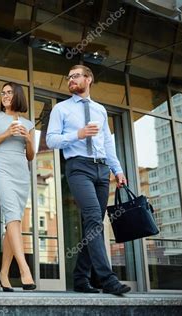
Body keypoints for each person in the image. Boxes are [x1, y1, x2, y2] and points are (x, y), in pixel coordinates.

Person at [46, 65, 130, 295]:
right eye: (69, 77)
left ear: (89, 79)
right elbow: (51, 140)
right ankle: (108, 279)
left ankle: (81, 279)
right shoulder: (61, 109)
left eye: (76, 76)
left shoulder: (100, 110)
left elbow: (107, 142)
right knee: (94, 218)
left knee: (93, 225)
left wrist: (118, 169)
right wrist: (78, 135)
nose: (71, 80)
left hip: (102, 170)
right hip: (78, 167)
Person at [0, 82, 36, 292]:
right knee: (12, 216)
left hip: (21, 174)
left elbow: (31, 155)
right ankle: (24, 270)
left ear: (18, 95)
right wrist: (5, 134)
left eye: (9, 92)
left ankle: (3, 274)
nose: (5, 95)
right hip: (1, 171)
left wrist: (28, 139)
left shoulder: (29, 123)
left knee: (14, 223)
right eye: (3, 93)